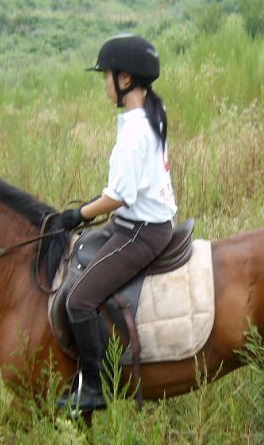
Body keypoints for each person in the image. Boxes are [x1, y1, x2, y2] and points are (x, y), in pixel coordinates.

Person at [56, 34, 177, 411]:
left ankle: (92, 389)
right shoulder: (150, 115)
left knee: (78, 299)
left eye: (106, 76)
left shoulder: (134, 133)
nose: (104, 85)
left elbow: (118, 197)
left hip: (140, 232)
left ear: (125, 80)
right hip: (140, 222)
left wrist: (77, 214)